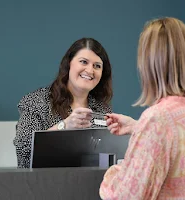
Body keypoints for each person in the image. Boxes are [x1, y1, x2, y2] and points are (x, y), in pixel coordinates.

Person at [99, 17, 185, 199]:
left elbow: (125, 195)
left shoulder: (158, 117)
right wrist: (138, 127)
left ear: (149, 62)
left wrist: (114, 172)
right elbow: (181, 141)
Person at [14, 38, 113, 168]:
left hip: (90, 186)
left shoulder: (102, 110)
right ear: (68, 64)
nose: (90, 70)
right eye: (84, 62)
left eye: (97, 66)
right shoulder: (37, 101)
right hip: (43, 185)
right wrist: (64, 126)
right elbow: (24, 151)